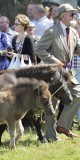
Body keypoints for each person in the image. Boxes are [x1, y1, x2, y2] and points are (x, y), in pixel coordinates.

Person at [35, 3, 80, 140]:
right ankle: (51, 136)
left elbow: (78, 48)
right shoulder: (51, 31)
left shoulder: (72, 32)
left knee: (78, 95)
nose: (74, 15)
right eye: (71, 13)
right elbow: (39, 49)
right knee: (52, 105)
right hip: (52, 74)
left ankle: (63, 125)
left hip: (67, 73)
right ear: (62, 16)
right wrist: (55, 61)